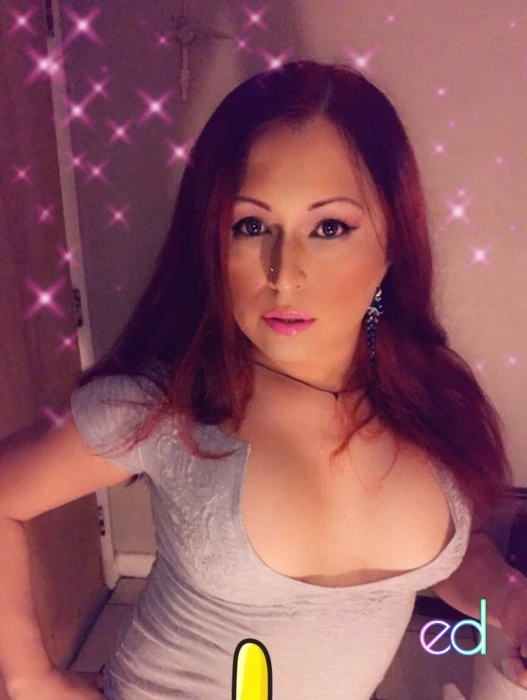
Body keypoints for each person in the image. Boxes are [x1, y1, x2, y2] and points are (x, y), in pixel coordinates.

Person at [0, 60, 521, 699]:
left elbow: (454, 557)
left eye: (329, 227)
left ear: (393, 241)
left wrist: (510, 601)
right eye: (251, 226)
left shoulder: (433, 400)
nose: (284, 273)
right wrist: (30, 680)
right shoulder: (166, 406)